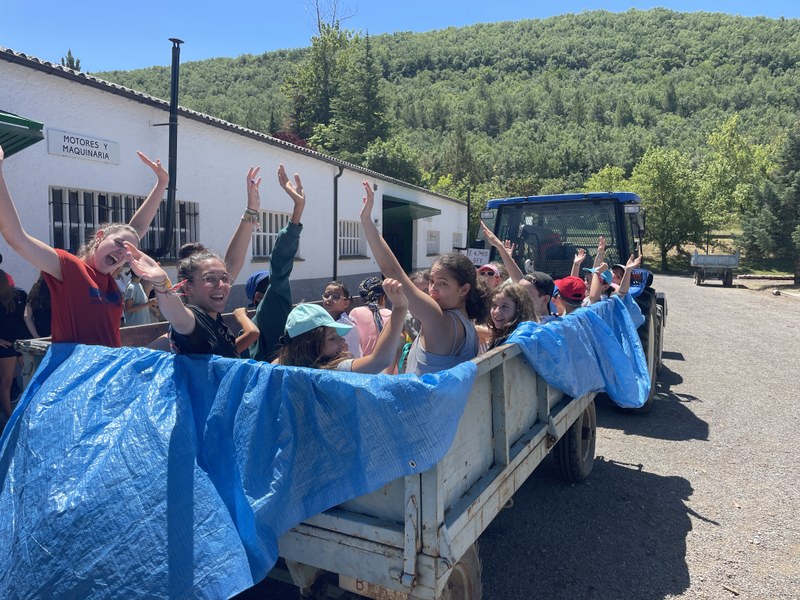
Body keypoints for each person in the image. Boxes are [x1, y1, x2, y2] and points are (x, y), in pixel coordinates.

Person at [0, 144, 169, 347]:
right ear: (99, 237)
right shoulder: (69, 267)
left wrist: (162, 183)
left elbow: (135, 230)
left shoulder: (109, 279)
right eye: (118, 244)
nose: (123, 253)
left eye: (128, 252)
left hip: (106, 370)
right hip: (76, 372)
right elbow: (17, 238)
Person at [126, 165, 272, 358]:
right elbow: (176, 314)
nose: (221, 284)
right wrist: (161, 284)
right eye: (210, 278)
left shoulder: (213, 318)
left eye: (224, 278)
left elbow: (233, 263)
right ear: (187, 289)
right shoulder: (193, 320)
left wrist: (251, 211)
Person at [360, 181, 486, 375]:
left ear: (464, 289)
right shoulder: (468, 326)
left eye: (443, 284)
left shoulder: (441, 319)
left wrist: (367, 220)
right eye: (432, 282)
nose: (432, 289)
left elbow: (392, 270)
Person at [275, 278, 408, 374]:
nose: (343, 341)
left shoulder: (279, 367)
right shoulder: (332, 369)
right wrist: (400, 307)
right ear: (309, 346)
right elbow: (379, 361)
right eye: (332, 338)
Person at [246, 167, 306, 363]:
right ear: (258, 297)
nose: (282, 287)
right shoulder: (272, 307)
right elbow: (279, 268)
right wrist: (297, 212)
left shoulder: (247, 326)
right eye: (270, 285)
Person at [0, 269, 32, 419]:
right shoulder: (20, 295)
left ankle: (9, 416)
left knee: (7, 383)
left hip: (8, 344)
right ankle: (16, 414)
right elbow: (27, 317)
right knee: (28, 378)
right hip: (19, 342)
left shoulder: (19, 295)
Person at [484, 281, 536, 352]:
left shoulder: (513, 340)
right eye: (494, 305)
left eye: (504, 306)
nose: (496, 311)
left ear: (519, 310)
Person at [349, 276, 391, 357]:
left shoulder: (356, 312)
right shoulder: (391, 314)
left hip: (363, 366)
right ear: (384, 296)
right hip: (390, 367)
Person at [321, 281, 361, 358]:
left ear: (346, 303)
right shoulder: (319, 321)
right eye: (326, 295)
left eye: (335, 296)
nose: (329, 299)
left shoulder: (348, 327)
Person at [23, 273, 52, 339]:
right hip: (56, 337)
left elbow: (27, 316)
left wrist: (36, 336)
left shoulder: (35, 290)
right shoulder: (57, 291)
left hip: (38, 334)